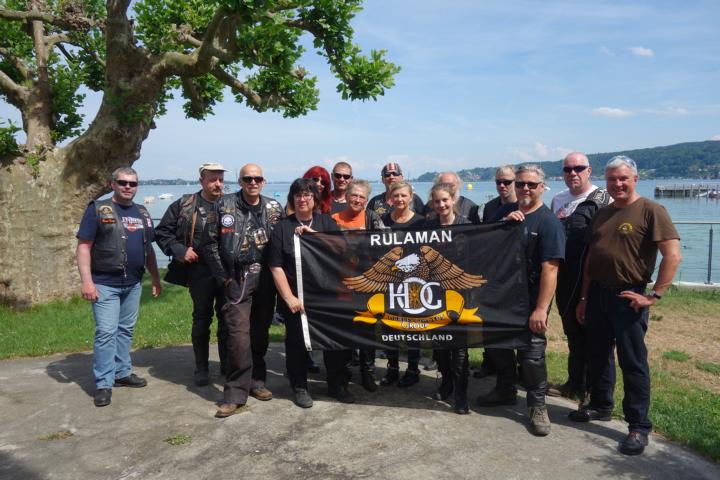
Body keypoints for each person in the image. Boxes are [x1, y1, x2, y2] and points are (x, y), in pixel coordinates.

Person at [570, 156, 681, 456]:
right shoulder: (603, 213)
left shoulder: (651, 210)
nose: (617, 184)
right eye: (612, 179)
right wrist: (584, 298)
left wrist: (653, 296)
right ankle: (601, 405)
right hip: (597, 294)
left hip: (629, 296)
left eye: (623, 178)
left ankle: (638, 426)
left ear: (635, 179)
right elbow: (592, 258)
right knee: (598, 354)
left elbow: (672, 255)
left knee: (632, 361)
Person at [476, 165, 565, 437]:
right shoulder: (503, 212)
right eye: (521, 183)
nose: (525, 188)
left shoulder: (548, 222)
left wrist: (541, 309)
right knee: (499, 344)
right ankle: (505, 390)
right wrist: (504, 224)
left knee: (531, 354)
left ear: (542, 187)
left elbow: (551, 269)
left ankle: (538, 406)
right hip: (501, 295)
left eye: (531, 184)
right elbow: (484, 245)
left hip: (530, 298)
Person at [203, 163, 285, 417]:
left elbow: (283, 239)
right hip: (237, 277)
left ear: (264, 181)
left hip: (266, 277)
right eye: (248, 178)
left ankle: (256, 382)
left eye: (257, 178)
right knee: (238, 336)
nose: (253, 182)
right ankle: (234, 393)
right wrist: (224, 277)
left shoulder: (274, 207)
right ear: (240, 182)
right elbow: (209, 243)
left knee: (260, 333)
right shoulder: (224, 205)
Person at [76, 167, 161, 407]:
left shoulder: (142, 212)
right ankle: (104, 383)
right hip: (104, 283)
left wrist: (155, 278)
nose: (128, 187)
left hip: (133, 283)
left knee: (125, 330)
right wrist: (87, 281)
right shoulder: (98, 209)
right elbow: (84, 246)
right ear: (112, 184)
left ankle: (122, 373)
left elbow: (148, 249)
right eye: (123, 183)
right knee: (106, 332)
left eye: (132, 184)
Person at [269, 178, 353, 408]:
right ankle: (300, 387)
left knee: (333, 343)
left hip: (327, 296)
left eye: (307, 195)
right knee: (297, 343)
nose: (302, 199)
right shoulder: (282, 228)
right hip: (297, 297)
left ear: (315, 199)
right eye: (298, 195)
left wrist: (314, 235)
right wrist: (289, 297)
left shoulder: (326, 222)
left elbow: (342, 249)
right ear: (292, 199)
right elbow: (276, 266)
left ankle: (336, 385)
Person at [155, 162, 228, 386]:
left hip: (227, 271)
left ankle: (227, 366)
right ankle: (201, 368)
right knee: (202, 319)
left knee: (228, 319)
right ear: (201, 181)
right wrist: (179, 250)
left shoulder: (232, 203)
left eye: (221, 179)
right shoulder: (185, 204)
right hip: (200, 270)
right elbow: (162, 232)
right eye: (213, 179)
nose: (218, 184)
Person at [546, 152, 611, 400]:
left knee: (594, 336)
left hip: (591, 278)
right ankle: (575, 383)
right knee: (572, 332)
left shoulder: (603, 199)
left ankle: (594, 392)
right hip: (565, 278)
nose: (573, 173)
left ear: (589, 171)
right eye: (567, 169)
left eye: (578, 168)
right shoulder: (558, 199)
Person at [331, 180, 385, 392]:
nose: (357, 200)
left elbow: (385, 245)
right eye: (354, 195)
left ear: (366, 200)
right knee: (343, 329)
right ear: (346, 196)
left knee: (367, 330)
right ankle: (343, 371)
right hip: (341, 284)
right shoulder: (333, 219)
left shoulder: (372, 218)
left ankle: (368, 372)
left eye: (362, 197)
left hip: (366, 286)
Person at [425, 183, 472, 414]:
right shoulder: (428, 227)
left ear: (453, 200)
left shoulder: (467, 226)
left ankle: (462, 394)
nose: (441, 205)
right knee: (440, 343)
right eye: (437, 201)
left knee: (460, 347)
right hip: (435, 294)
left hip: (460, 293)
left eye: (445, 200)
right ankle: (447, 383)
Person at [377, 181, 425, 387]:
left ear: (410, 197)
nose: (399, 199)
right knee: (390, 326)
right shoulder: (383, 221)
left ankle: (413, 369)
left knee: (413, 327)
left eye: (403, 195)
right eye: (395, 196)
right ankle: (392, 368)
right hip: (390, 281)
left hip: (414, 282)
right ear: (390, 198)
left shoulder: (422, 222)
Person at [474, 165, 517, 379]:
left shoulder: (522, 205)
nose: (502, 185)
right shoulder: (491, 206)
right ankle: (489, 362)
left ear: (515, 182)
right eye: (498, 182)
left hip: (513, 272)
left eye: (507, 182)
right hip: (491, 271)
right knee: (488, 320)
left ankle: (517, 371)